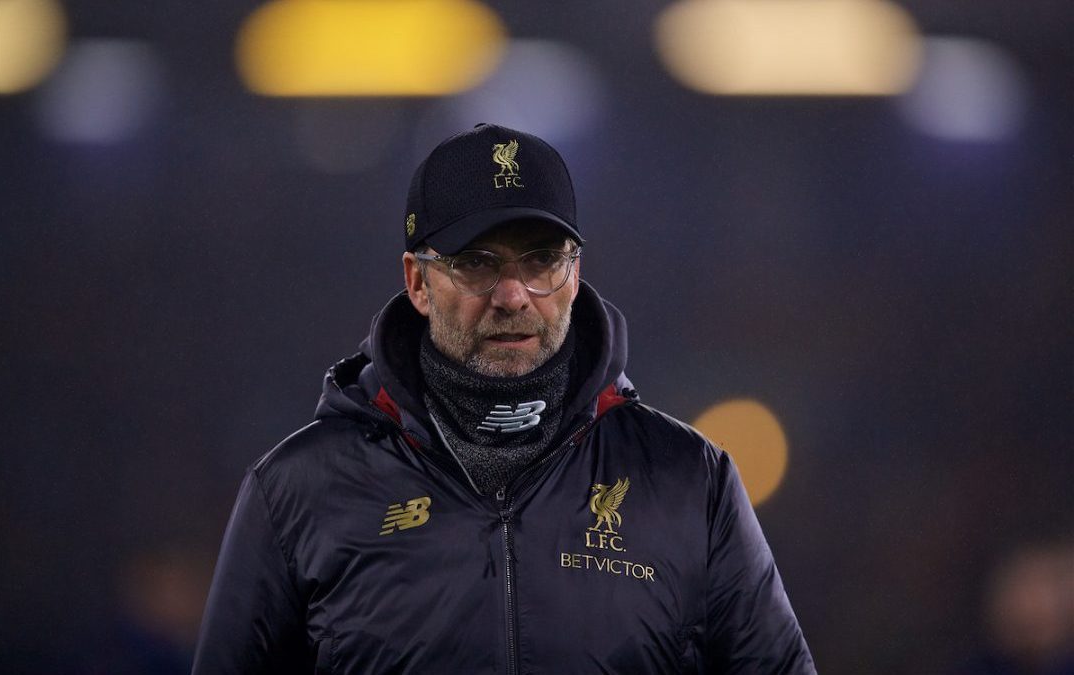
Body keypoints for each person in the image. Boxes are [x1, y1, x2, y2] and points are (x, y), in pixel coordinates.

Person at [192, 123, 816, 674]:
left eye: (542, 260)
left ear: (574, 274)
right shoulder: (298, 491)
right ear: (418, 281)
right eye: (477, 263)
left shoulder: (688, 481)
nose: (514, 295)